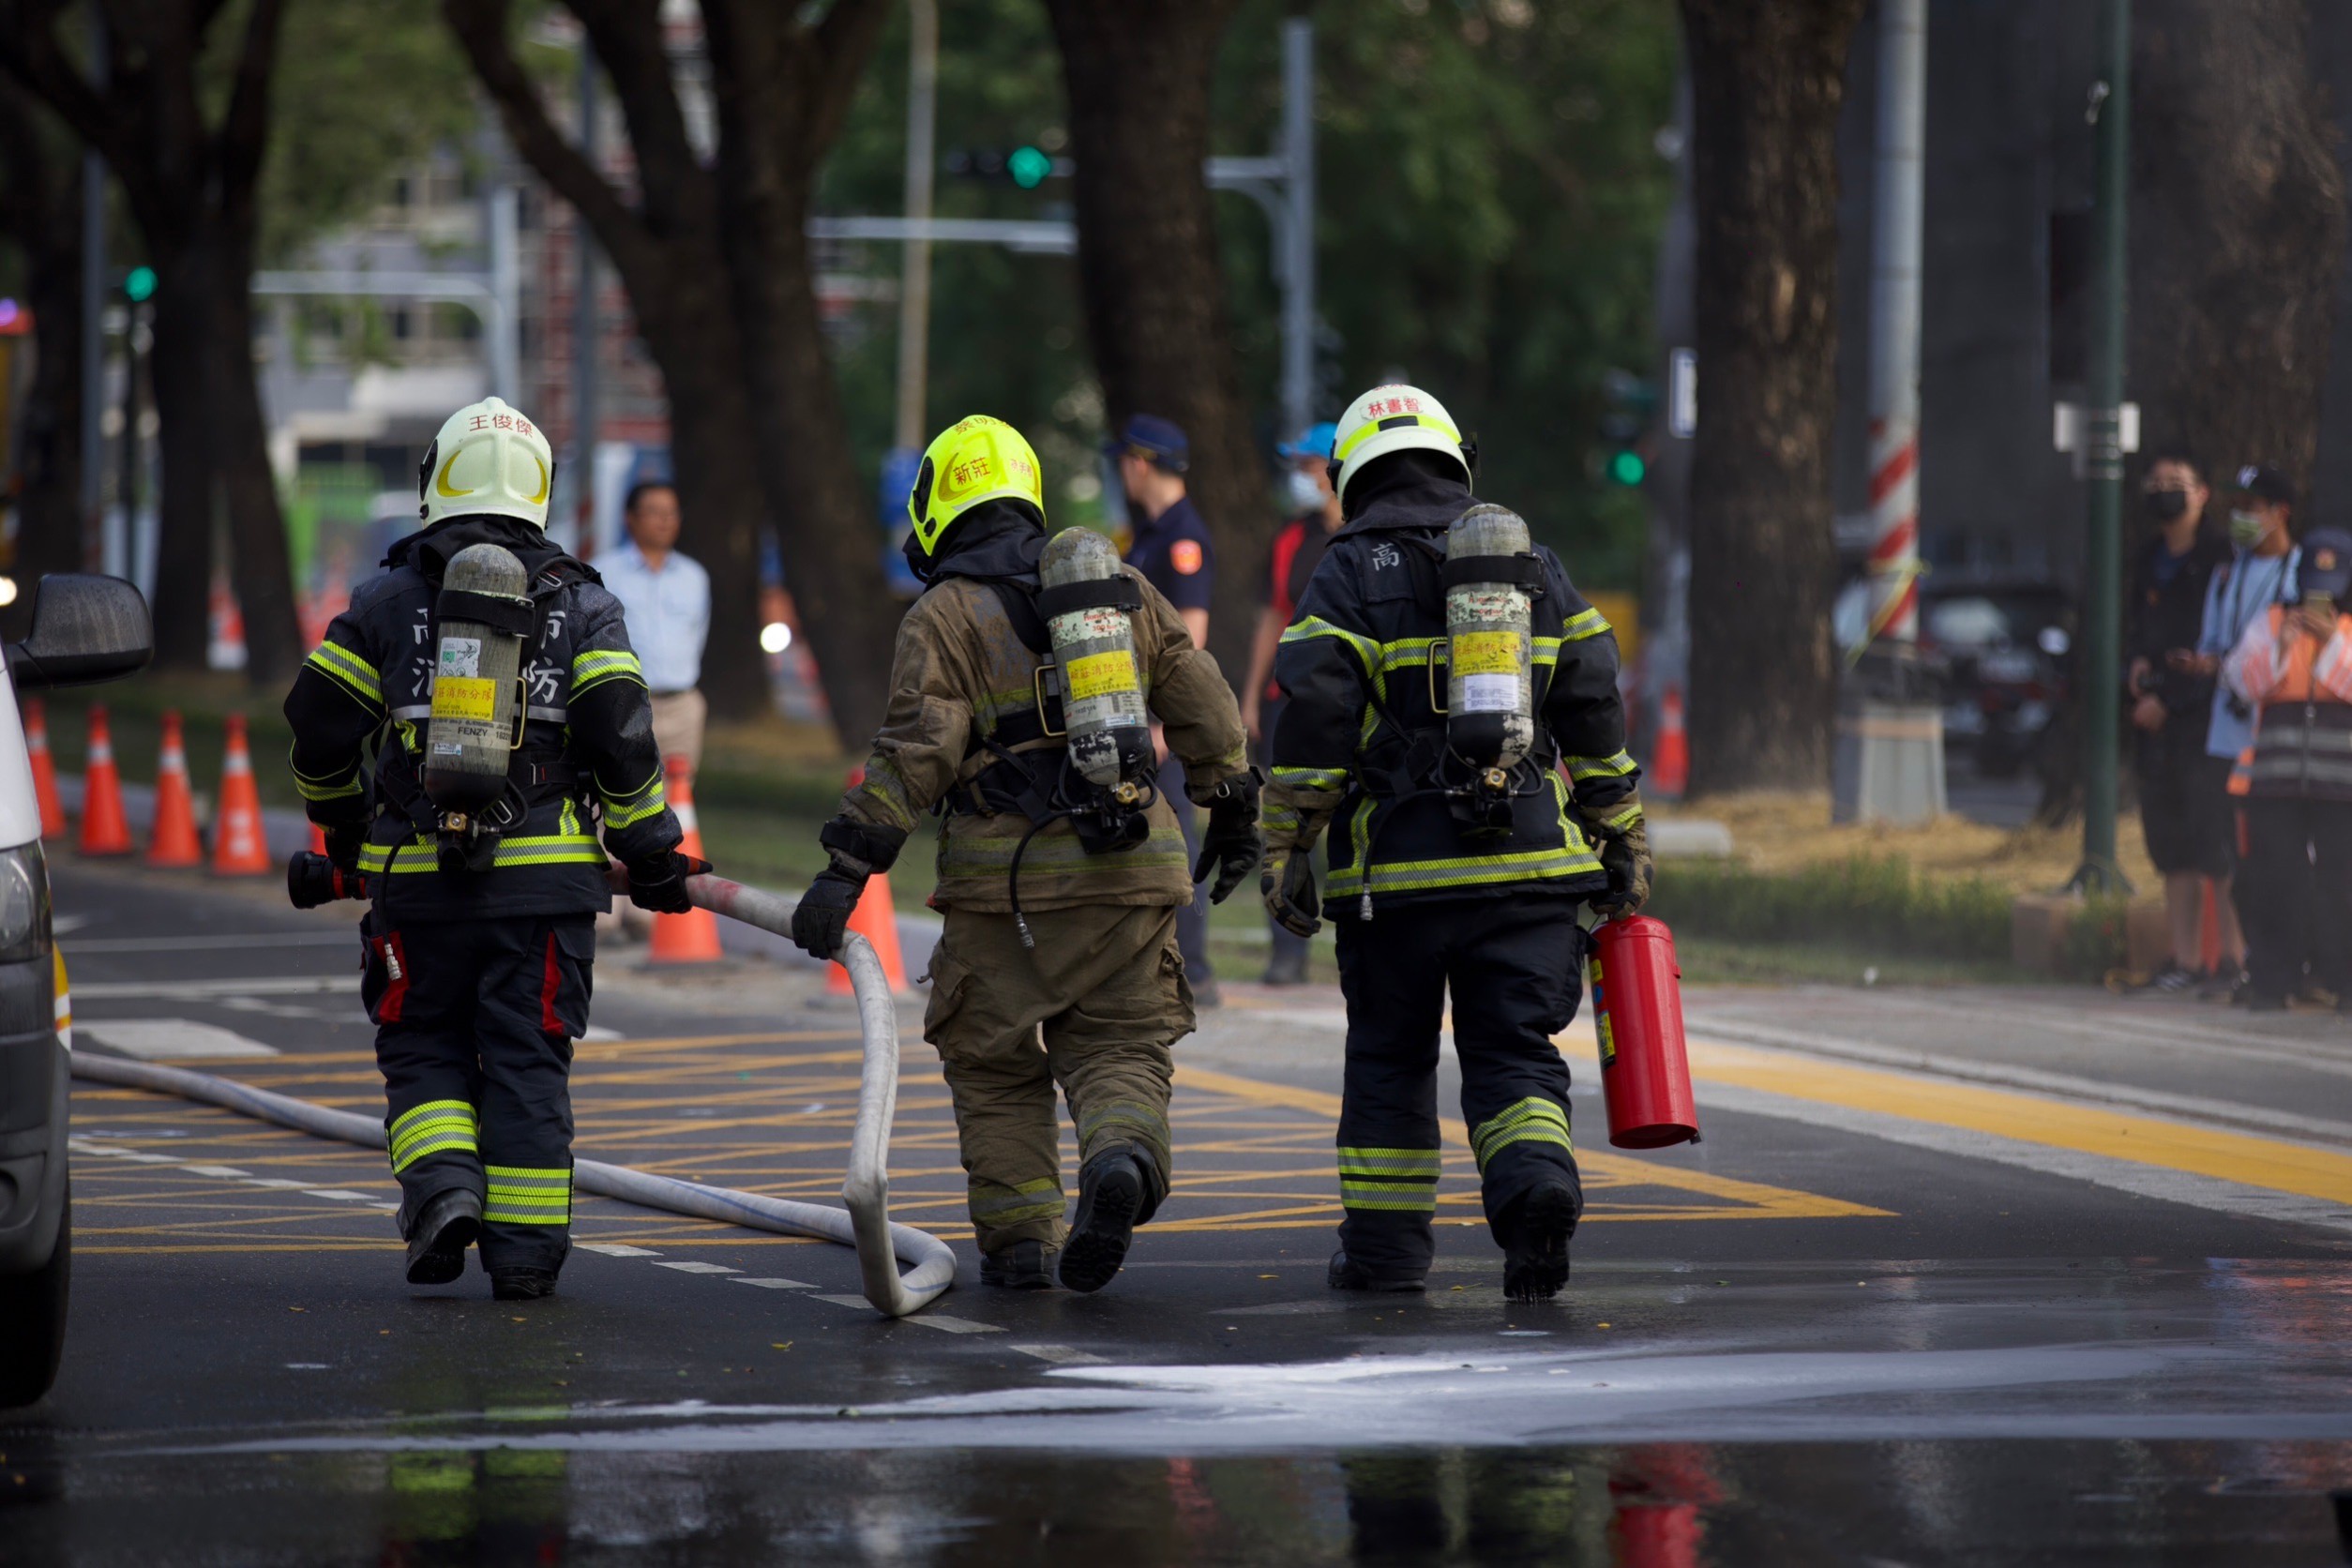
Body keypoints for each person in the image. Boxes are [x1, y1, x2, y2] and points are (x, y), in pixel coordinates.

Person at [791, 415, 1256, 1293]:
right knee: (1120, 1047)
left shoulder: (943, 615)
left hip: (1004, 891)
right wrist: (1231, 803)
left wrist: (844, 870)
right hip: (1129, 869)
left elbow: (914, 755)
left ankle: (1022, 1243)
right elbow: (1201, 694)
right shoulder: (1122, 585)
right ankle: (1117, 1159)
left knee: (996, 1064)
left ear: (940, 504)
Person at [285, 397, 703, 1300]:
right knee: (526, 1061)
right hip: (545, 894)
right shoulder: (585, 604)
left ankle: (441, 1194)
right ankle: (522, 1259)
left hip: (416, 886)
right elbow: (625, 737)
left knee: (423, 1041)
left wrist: (346, 830)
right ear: (540, 489)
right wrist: (655, 853)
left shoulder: (388, 601)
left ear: (438, 478)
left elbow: (318, 725)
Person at [1263, 384, 1648, 1304]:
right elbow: (1592, 691)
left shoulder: (1347, 568)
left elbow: (1315, 709)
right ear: (1453, 459)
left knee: (1391, 1060)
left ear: (1350, 472)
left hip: (1395, 884)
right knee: (1513, 1053)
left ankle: (1387, 1256)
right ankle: (1535, 1193)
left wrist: (1289, 846)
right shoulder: (1534, 566)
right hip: (1528, 872)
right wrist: (1619, 831)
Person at [1108, 414, 1222, 1004]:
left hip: (1163, 723)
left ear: (1140, 462)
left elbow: (1190, 636)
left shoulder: (1183, 537)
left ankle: (1196, 970)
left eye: (1124, 462)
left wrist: (1163, 722)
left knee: (1180, 842)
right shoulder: (1150, 534)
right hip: (1142, 716)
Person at [2221, 526, 2352, 1011]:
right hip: (2276, 782)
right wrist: (2283, 646)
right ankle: (2274, 979)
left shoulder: (2349, 630)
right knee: (2276, 881)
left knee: (2342, 883)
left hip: (2342, 785)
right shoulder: (2271, 622)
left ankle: (2342, 980)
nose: (2322, 599)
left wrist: (2334, 643)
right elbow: (2240, 680)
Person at [2124, 454, 2235, 992]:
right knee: (2172, 847)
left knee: (2216, 844)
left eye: (2177, 484)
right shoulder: (2147, 558)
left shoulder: (2221, 559)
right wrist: (2139, 670)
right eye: (2157, 484)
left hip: (2204, 720)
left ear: (2203, 493)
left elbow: (2221, 648)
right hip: (2156, 726)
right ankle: (2185, 959)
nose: (2165, 492)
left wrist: (2173, 698)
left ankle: (2234, 960)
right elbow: (2135, 628)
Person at [1241, 422, 1344, 986]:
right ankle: (1287, 951)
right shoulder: (1289, 539)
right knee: (1284, 827)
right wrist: (1250, 698)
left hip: (1352, 704)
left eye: (1308, 466)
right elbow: (1270, 617)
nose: (1300, 478)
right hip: (1289, 700)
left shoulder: (1365, 531)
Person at [2197, 465, 2302, 1001]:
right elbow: (2215, 646)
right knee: (2239, 860)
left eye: (2253, 508)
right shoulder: (2227, 574)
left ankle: (2295, 965)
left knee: (2284, 856)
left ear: (2279, 512)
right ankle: (2253, 963)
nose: (2242, 519)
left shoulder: (2306, 574)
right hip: (2228, 733)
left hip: (2279, 740)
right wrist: (2207, 665)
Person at [596, 479, 711, 774]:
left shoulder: (694, 577)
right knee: (624, 790)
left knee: (679, 796)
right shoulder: (603, 572)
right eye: (654, 511)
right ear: (630, 517)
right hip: (627, 703)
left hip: (683, 706)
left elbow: (697, 636)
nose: (665, 520)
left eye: (671, 513)